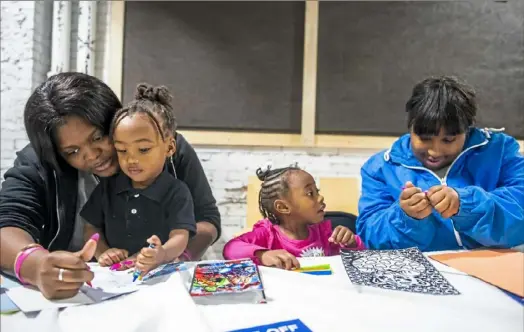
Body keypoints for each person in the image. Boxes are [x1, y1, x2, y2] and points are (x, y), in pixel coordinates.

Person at [0, 72, 220, 299]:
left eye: (98, 137)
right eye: (72, 152)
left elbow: (206, 218)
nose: (93, 155)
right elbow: (7, 224)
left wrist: (174, 257)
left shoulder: (159, 147)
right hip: (83, 293)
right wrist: (35, 266)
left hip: (165, 285)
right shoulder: (38, 164)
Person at [356, 76, 524, 251]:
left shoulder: (499, 152)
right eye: (424, 138)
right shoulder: (380, 169)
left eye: (448, 140)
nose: (435, 151)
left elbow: (520, 213)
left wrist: (465, 204)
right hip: (423, 273)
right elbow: (371, 238)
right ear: (410, 127)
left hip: (495, 268)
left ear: (467, 129)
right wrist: (406, 217)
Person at [80, 84, 196, 274]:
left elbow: (180, 237)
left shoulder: (177, 192)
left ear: (169, 148)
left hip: (158, 275)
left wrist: (161, 254)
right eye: (122, 150)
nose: (131, 159)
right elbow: (91, 226)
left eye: (143, 150)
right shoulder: (107, 188)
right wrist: (103, 252)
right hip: (115, 277)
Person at [223, 166, 365, 270]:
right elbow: (230, 249)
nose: (320, 197)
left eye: (317, 191)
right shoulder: (267, 234)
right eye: (310, 193)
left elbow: (359, 259)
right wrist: (262, 255)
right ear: (283, 207)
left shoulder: (325, 233)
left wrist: (351, 243)